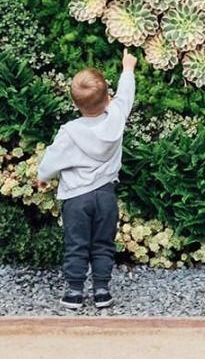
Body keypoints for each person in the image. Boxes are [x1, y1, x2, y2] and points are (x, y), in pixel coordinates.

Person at [37, 50, 137, 310]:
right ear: (108, 98)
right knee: (103, 243)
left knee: (76, 244)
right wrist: (127, 68)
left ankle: (74, 292)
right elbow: (126, 96)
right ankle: (102, 291)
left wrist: (42, 177)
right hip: (105, 195)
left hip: (76, 198)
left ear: (75, 104)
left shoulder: (70, 132)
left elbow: (52, 158)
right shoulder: (116, 118)